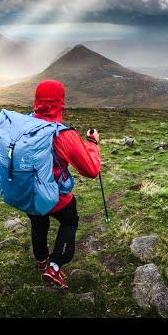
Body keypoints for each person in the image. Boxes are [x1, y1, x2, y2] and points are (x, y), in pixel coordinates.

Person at [27, 79, 101, 289]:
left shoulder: (24, 124)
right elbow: (91, 170)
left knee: (38, 222)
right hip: (55, 196)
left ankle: (41, 261)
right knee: (70, 221)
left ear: (36, 100)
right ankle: (55, 267)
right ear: (61, 102)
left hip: (28, 191)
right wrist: (93, 144)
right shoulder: (63, 134)